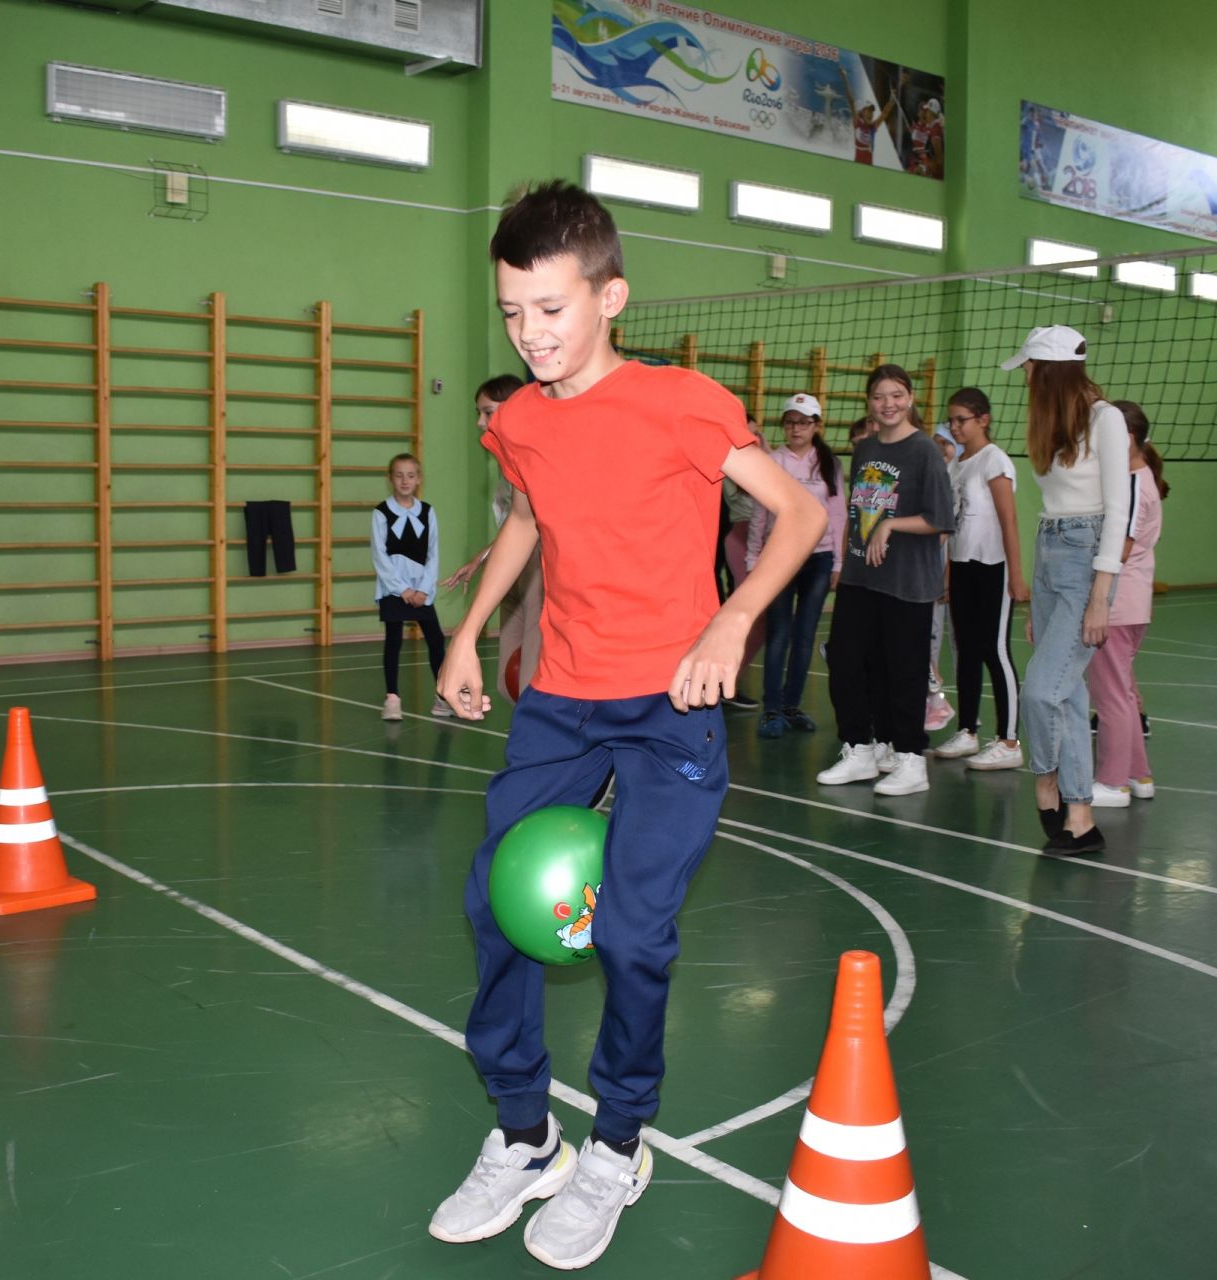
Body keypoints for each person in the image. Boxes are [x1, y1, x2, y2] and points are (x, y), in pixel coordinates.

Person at [427, 180, 823, 1269]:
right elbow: (528, 516)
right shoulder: (517, 418)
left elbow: (800, 511)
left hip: (670, 703)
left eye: (551, 309)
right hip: (561, 698)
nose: (531, 332)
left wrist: (733, 620)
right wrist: (469, 633)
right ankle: (523, 1132)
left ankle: (617, 1142)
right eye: (512, 311)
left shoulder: (683, 403)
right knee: (492, 899)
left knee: (631, 931)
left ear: (612, 297)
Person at [1006, 325, 1130, 855]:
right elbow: (1051, 511)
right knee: (1070, 694)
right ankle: (1082, 817)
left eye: (1030, 367)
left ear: (1049, 370)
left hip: (1087, 560)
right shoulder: (1051, 423)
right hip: (1052, 550)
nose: (1025, 377)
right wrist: (1038, 592)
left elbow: (1119, 512)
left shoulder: (1108, 419)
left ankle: (1047, 781)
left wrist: (1101, 595)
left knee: (1040, 690)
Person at [815, 364, 956, 796]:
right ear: (869, 403)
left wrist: (890, 526)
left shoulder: (924, 452)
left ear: (910, 398)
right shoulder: (866, 448)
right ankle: (860, 748)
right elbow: (859, 509)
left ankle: (912, 760)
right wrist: (846, 558)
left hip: (907, 581)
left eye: (896, 395)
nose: (888, 404)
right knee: (846, 661)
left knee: (904, 673)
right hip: (861, 577)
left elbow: (941, 519)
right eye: (879, 397)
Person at [933, 388, 1027, 770]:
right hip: (964, 565)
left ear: (983, 419)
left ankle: (1009, 741)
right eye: (951, 420)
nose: (955, 427)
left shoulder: (995, 461)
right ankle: (969, 730)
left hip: (994, 566)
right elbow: (955, 526)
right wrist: (948, 573)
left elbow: (1008, 520)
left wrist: (1016, 575)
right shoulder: (958, 465)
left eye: (961, 420)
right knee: (967, 651)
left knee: (995, 650)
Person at [747, 393, 844, 738]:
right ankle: (771, 709)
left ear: (816, 425)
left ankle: (791, 706)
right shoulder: (772, 461)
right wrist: (752, 559)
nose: (796, 428)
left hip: (819, 559)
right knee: (779, 636)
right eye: (790, 422)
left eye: (803, 422)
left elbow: (837, 513)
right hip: (779, 557)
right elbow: (760, 512)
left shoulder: (828, 464)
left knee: (804, 638)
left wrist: (838, 561)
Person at [442, 375, 544, 703]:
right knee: (506, 684)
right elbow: (516, 523)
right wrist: (480, 559)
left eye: (487, 412)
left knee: (530, 681)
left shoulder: (537, 456)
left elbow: (537, 526)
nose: (479, 422)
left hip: (538, 571)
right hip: (511, 572)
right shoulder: (504, 462)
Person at [1086, 401, 1166, 807]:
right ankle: (1138, 774)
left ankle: (1113, 781)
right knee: (1124, 691)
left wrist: (1091, 598)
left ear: (1126, 438)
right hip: (1131, 603)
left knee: (1111, 695)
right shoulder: (1139, 478)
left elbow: (1120, 546)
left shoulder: (1133, 484)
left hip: (1116, 606)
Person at [371, 453, 449, 720]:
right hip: (394, 590)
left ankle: (442, 696)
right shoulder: (381, 513)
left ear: (419, 479)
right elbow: (379, 555)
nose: (405, 480)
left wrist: (424, 590)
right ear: (390, 478)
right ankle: (392, 698)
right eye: (399, 475)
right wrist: (401, 590)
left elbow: (433, 553)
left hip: (421, 590)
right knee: (393, 640)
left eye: (411, 475)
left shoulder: (428, 512)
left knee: (436, 640)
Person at [717, 413, 769, 709]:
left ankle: (727, 682)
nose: (754, 439)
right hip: (741, 537)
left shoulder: (767, 461)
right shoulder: (732, 466)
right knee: (747, 616)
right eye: (747, 433)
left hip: (763, 537)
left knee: (761, 623)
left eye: (757, 433)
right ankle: (725, 683)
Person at [925, 423, 958, 733]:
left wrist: (943, 576)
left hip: (938, 573)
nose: (940, 448)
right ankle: (930, 700)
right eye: (934, 442)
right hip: (921, 571)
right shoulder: (930, 477)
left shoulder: (955, 481)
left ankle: (935, 701)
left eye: (945, 443)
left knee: (933, 637)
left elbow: (944, 534)